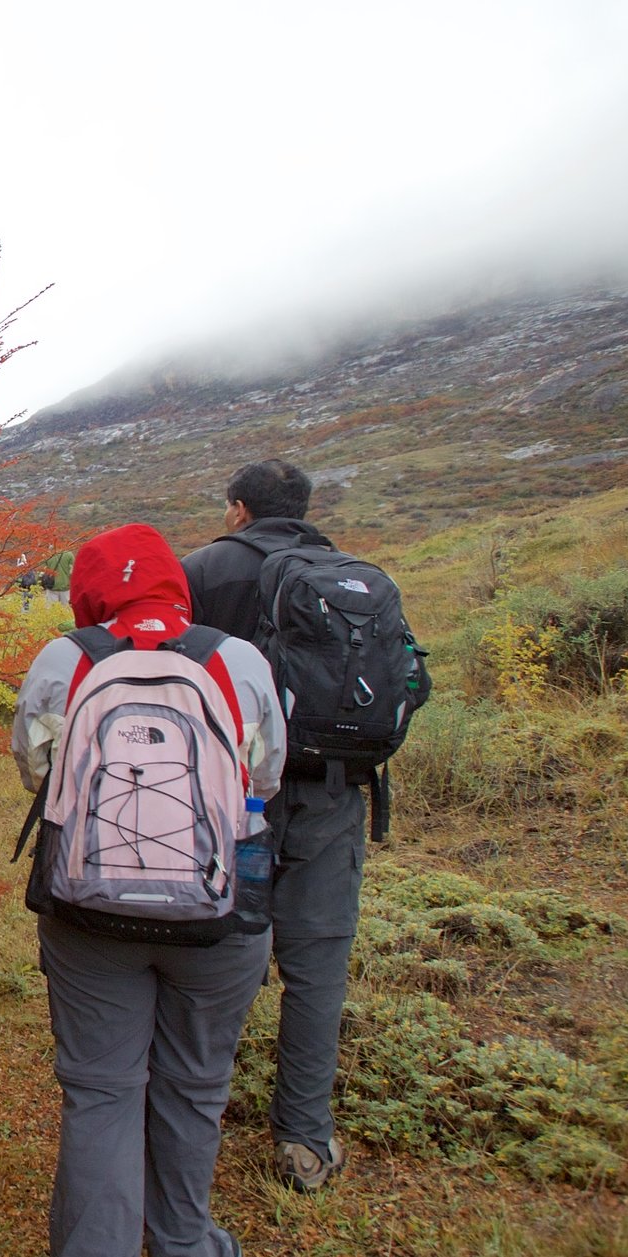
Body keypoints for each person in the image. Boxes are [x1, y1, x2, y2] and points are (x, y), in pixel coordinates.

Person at [10, 524, 286, 1257]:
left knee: (100, 1094)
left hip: (88, 917)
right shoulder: (236, 659)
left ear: (90, 588)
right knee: (196, 1085)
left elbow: (33, 767)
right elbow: (266, 773)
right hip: (220, 912)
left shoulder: (66, 656)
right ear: (177, 583)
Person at [181, 458, 361, 1193]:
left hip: (231, 794)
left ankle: (193, 1109)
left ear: (237, 509)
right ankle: (305, 1140)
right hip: (332, 794)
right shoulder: (354, 579)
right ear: (306, 507)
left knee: (214, 950)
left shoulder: (207, 570)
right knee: (316, 968)